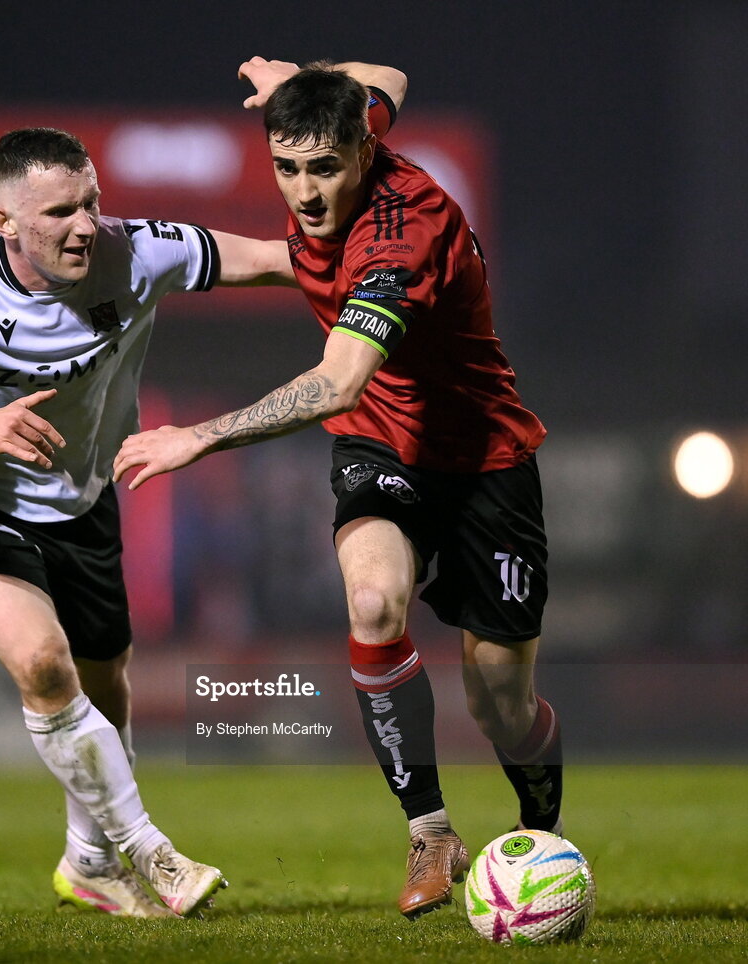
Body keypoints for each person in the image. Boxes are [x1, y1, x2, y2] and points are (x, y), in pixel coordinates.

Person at [114, 58, 564, 919]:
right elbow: (383, 70)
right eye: (288, 167)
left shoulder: (402, 235)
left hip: (484, 463)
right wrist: (299, 78)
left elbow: (336, 384)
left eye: (324, 167)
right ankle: (430, 829)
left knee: (502, 702)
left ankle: (543, 831)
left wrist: (197, 437)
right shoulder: (354, 121)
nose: (306, 192)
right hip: (380, 448)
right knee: (372, 604)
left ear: (366, 150)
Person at [0, 126, 295, 918]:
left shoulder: (139, 251)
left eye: (92, 201)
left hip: (83, 508)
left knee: (103, 686)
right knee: (44, 664)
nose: (86, 224)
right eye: (59, 211)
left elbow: (272, 258)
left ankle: (87, 861)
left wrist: (385, 268)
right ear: (4, 223)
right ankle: (151, 853)